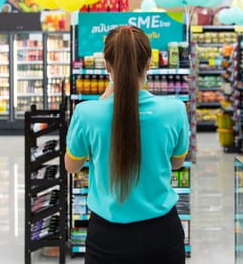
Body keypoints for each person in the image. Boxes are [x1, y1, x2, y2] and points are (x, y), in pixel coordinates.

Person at [65, 25, 190, 264]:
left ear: (106, 65)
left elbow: (71, 166)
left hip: (107, 237)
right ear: (149, 63)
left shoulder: (87, 113)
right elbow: (177, 162)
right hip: (162, 234)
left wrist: (106, 96)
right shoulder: (174, 110)